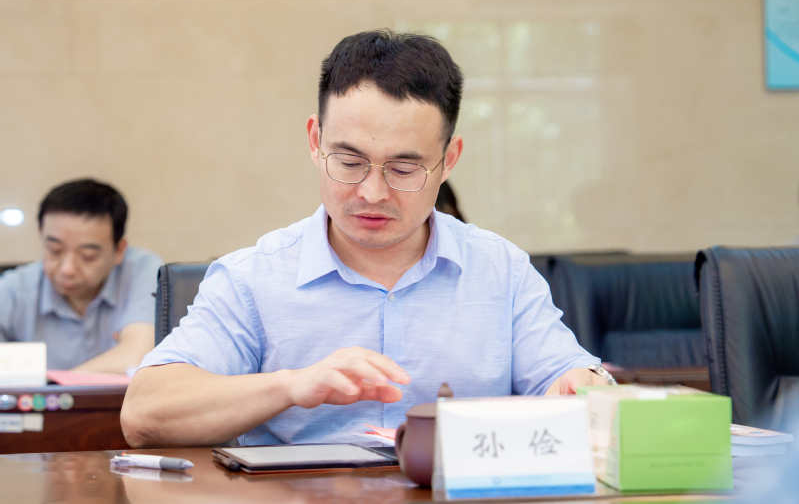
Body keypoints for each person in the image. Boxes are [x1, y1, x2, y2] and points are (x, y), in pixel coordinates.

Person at [121, 30, 610, 448]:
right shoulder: (252, 278)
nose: (372, 192)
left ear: (449, 160)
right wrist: (290, 387)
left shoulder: (501, 271)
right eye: (349, 162)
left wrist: (583, 385)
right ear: (315, 141)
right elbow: (143, 414)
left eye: (404, 168)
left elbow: (570, 380)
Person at [0, 179, 162, 373]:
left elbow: (137, 357)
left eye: (88, 256)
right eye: (54, 250)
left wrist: (56, 387)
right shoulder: (15, 290)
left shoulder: (142, 270)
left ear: (119, 250)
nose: (67, 269)